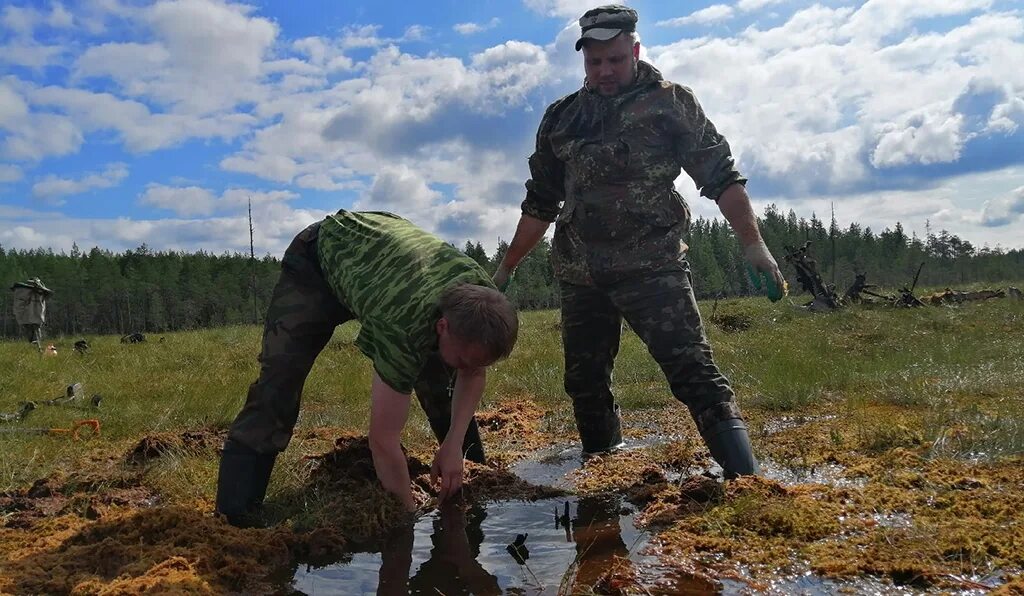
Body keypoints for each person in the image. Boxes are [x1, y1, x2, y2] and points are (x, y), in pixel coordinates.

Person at [492, 5, 785, 478]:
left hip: (653, 266)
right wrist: (506, 269)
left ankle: (746, 484)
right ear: (583, 59)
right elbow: (540, 202)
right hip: (580, 272)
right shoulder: (562, 118)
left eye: (615, 60)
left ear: (635, 50)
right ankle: (603, 476)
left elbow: (721, 176)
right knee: (584, 382)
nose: (605, 71)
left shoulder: (670, 103)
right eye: (594, 62)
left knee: (694, 373)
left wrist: (753, 244)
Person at [216, 210, 519, 525]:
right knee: (280, 381)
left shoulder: (484, 299)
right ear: (442, 326)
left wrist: (454, 443)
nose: (469, 368)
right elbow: (383, 441)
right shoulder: (403, 323)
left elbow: (473, 370)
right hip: (319, 260)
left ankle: (471, 486)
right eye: (465, 360)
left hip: (390, 269)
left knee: (443, 379)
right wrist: (407, 516)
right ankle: (235, 514)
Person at [10, 277, 52, 347]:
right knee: (33, 334)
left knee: (34, 334)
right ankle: (36, 348)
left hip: (32, 318)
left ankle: (36, 348)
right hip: (31, 318)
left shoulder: (39, 293)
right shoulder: (24, 291)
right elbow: (19, 305)